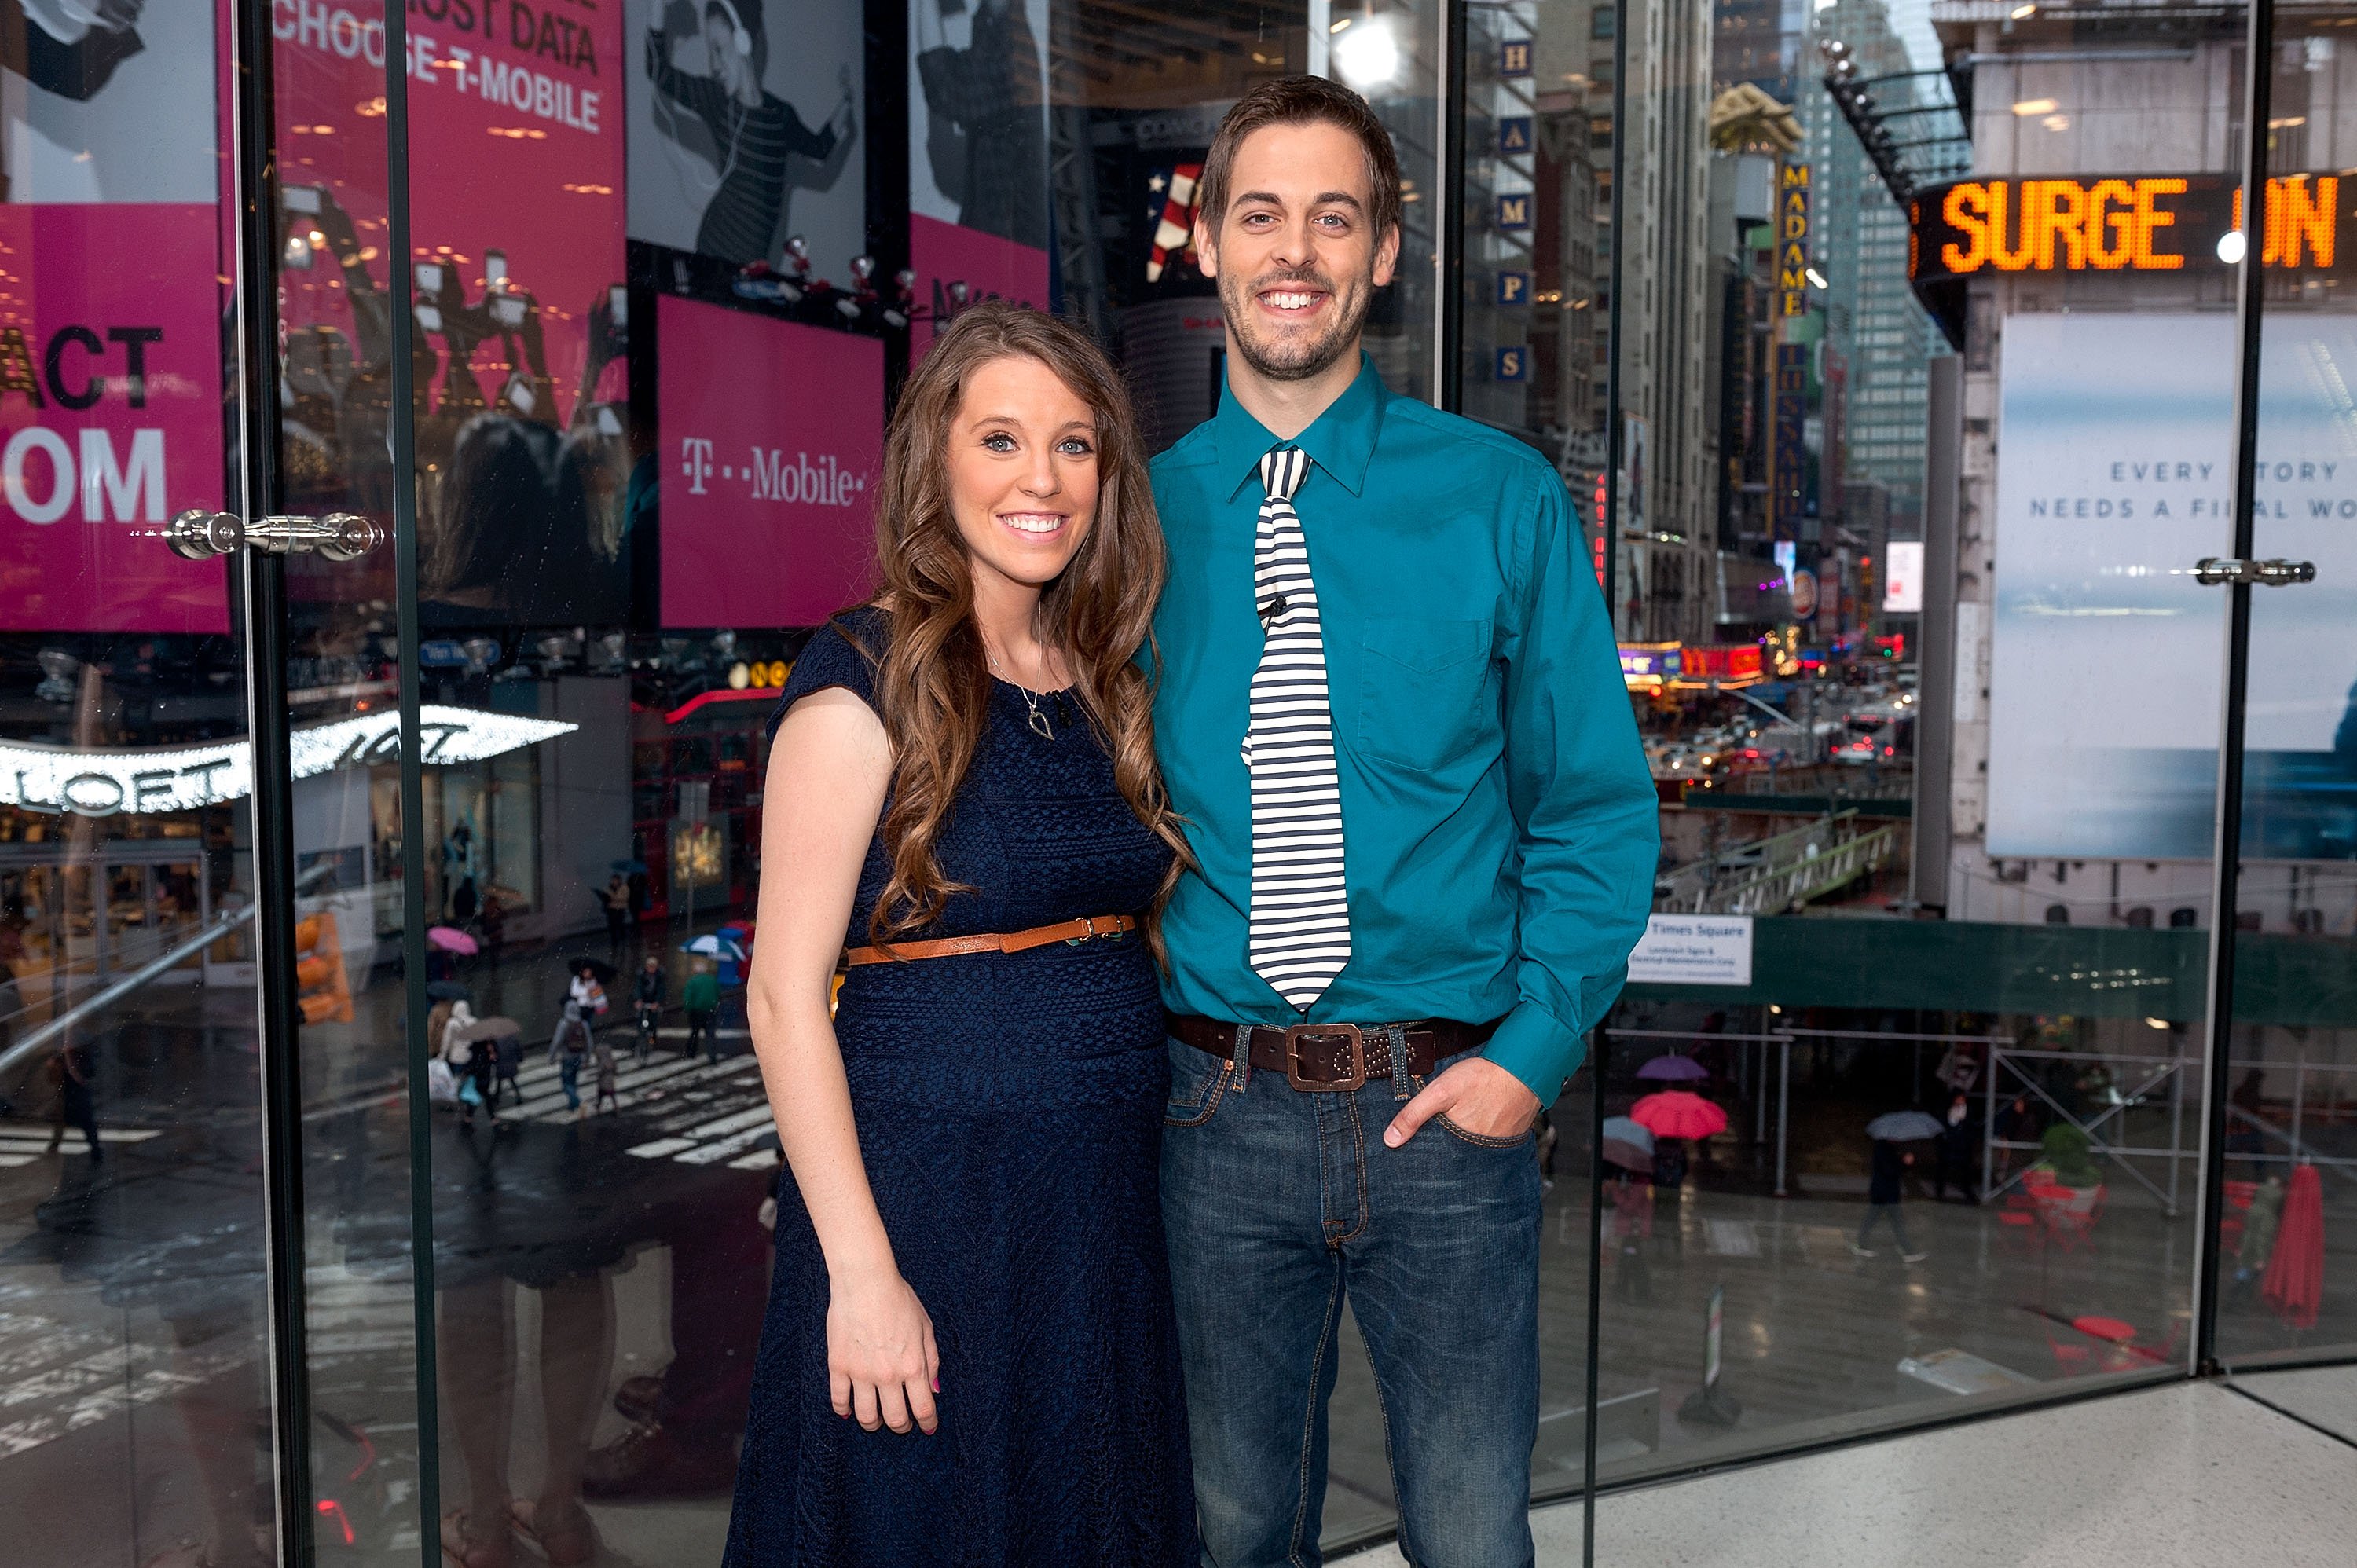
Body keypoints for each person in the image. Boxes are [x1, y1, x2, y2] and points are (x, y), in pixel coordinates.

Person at [1146, 79, 1658, 1566]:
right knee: (1233, 1531)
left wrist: (1532, 1058)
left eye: (1334, 217)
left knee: (1472, 1535)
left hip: (1451, 1109)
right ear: (1206, 243)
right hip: (1210, 1113)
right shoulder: (1130, 519)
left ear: (1380, 254)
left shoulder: (1501, 499)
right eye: (1260, 214)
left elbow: (1593, 807)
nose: (1293, 251)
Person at [724, 302, 1195, 1564]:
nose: (1042, 478)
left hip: (1095, 1214)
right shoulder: (863, 678)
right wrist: (861, 1276)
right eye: (1000, 440)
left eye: (1075, 444)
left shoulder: (1101, 676)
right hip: (930, 1204)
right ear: (934, 461)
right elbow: (780, 998)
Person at [643, 2, 856, 265]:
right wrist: (657, 5)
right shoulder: (717, 101)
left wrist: (847, 102)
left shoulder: (781, 116)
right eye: (711, 53)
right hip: (714, 252)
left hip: (754, 261)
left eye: (719, 50)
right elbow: (657, 69)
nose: (714, 65)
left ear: (744, 43)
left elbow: (820, 149)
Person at [1852, 1138, 1927, 1262]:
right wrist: (1904, 1162)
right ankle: (1908, 1250)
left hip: (1884, 1192)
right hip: (1885, 1193)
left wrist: (1904, 1162)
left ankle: (1862, 1244)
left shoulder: (1888, 1147)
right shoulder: (1884, 1148)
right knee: (1895, 1222)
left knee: (1875, 1220)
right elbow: (1890, 1170)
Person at [1935, 1091, 1979, 1203]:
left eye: (1962, 1099)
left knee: (1966, 1170)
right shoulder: (1947, 1110)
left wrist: (1968, 1140)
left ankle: (1968, 1192)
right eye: (1958, 1098)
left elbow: (1972, 1127)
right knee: (1943, 1169)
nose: (1960, 1101)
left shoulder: (1968, 1112)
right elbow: (1943, 1124)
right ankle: (1939, 1192)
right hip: (1949, 1145)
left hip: (1963, 1146)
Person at [552, 1002, 593, 1118]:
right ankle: (572, 1105)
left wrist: (552, 1056)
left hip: (567, 1058)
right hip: (578, 1057)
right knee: (573, 1081)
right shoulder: (583, 1024)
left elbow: (557, 1041)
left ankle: (578, 1102)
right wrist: (587, 1058)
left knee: (566, 1083)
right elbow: (589, 1042)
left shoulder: (564, 1023)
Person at [682, 958, 720, 1060]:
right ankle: (712, 1056)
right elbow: (717, 994)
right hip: (710, 1010)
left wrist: (687, 1008)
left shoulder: (693, 981)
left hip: (696, 1011)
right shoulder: (712, 980)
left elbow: (688, 997)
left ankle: (691, 1053)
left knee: (695, 1032)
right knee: (710, 1034)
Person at [634, 954, 666, 1061]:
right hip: (644, 1002)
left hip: (653, 1003)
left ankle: (652, 1042)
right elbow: (638, 987)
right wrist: (638, 999)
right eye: (649, 966)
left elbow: (661, 990)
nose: (651, 969)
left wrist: (657, 1002)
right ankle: (640, 1043)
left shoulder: (659, 976)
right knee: (641, 1023)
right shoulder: (641, 975)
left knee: (653, 1025)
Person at [603, 874, 634, 959]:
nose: (614, 882)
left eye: (615, 880)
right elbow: (605, 897)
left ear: (619, 880)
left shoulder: (624, 887)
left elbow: (625, 898)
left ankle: (623, 940)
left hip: (620, 909)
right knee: (611, 925)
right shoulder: (608, 888)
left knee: (620, 924)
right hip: (611, 909)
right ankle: (614, 941)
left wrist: (613, 898)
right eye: (613, 880)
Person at [594, 1034, 619, 1116]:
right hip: (610, 1083)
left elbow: (600, 1072)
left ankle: (598, 1109)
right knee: (612, 1096)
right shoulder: (611, 1060)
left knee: (600, 1096)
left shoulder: (602, 1062)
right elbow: (615, 1070)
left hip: (603, 1083)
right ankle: (616, 1107)